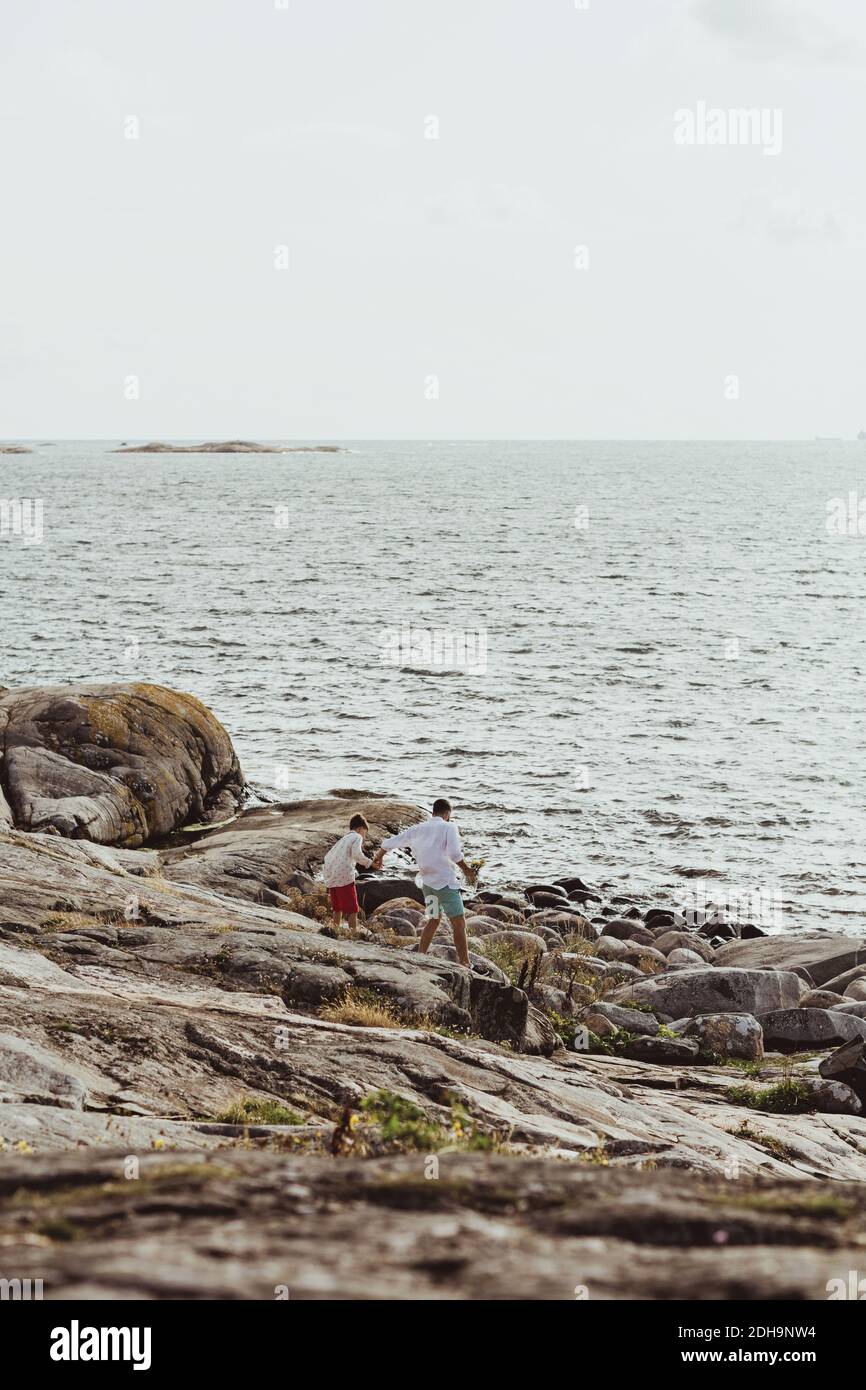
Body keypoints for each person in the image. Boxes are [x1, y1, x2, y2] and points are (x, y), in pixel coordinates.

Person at [372, 798, 477, 967]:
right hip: (445, 884)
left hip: (428, 885)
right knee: (459, 922)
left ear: (433, 812)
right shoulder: (449, 826)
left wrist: (379, 856)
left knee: (434, 919)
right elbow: (454, 853)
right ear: (447, 814)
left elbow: (393, 841)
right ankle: (466, 964)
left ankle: (420, 956)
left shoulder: (418, 829)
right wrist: (467, 870)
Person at [323, 813, 371, 931]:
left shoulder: (343, 840)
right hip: (344, 877)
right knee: (353, 909)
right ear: (360, 828)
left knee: (337, 908)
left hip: (332, 877)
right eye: (365, 833)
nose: (364, 837)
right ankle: (353, 933)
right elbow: (357, 854)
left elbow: (327, 857)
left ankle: (335, 929)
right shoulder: (357, 837)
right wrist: (369, 863)